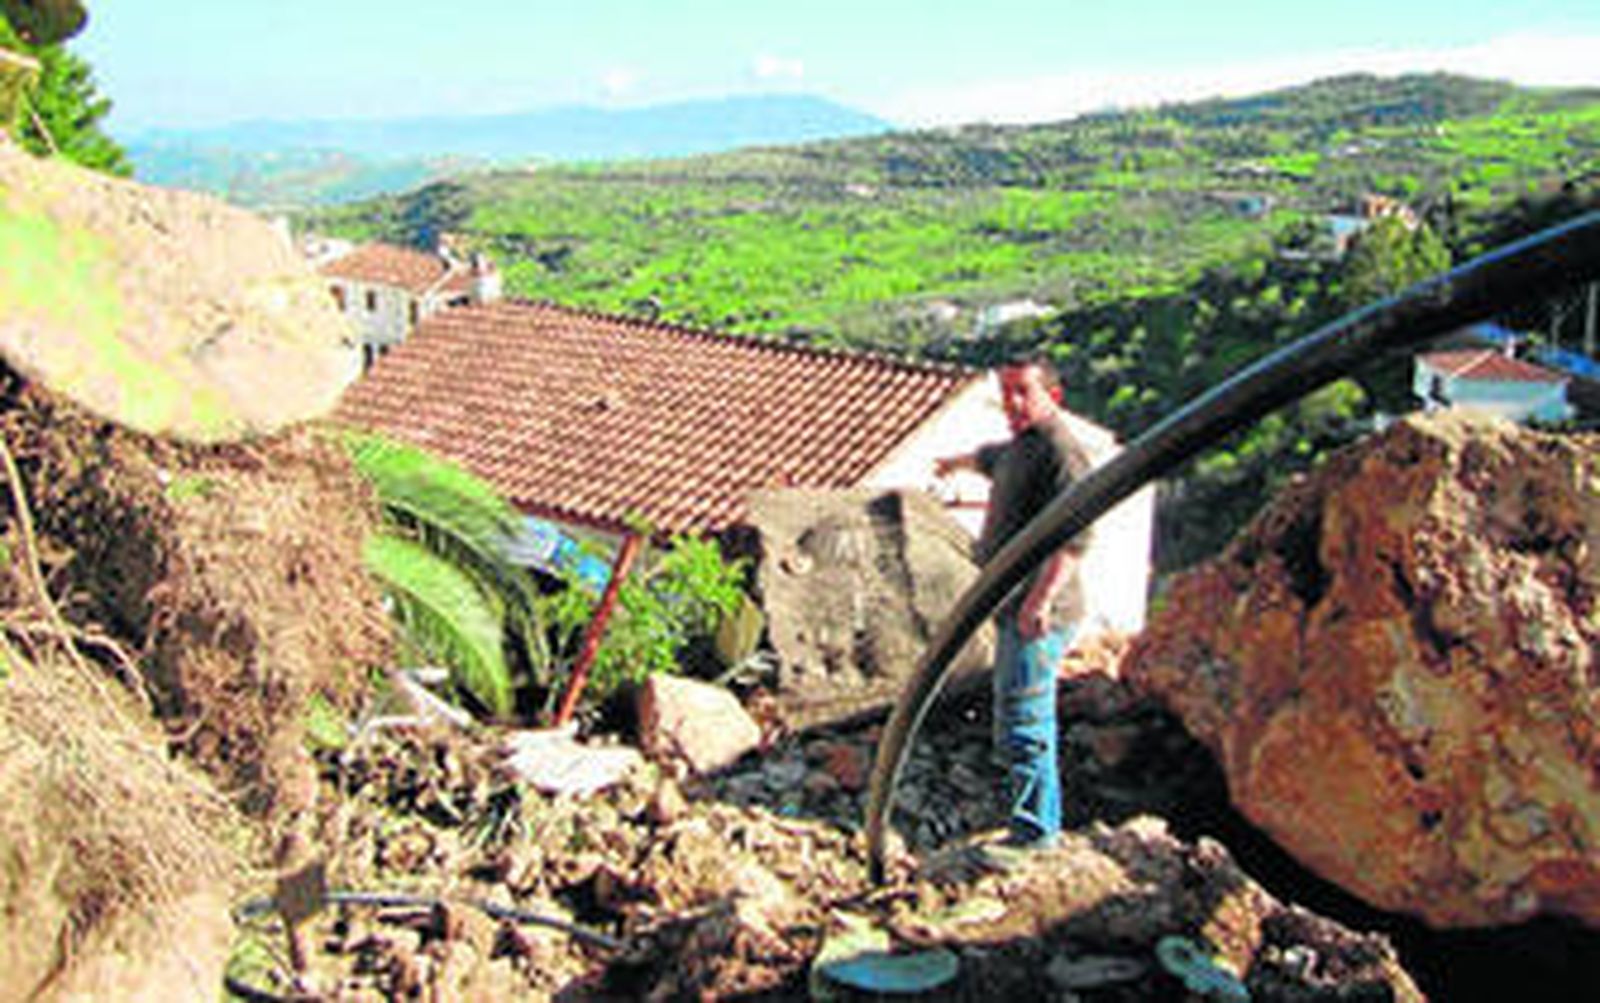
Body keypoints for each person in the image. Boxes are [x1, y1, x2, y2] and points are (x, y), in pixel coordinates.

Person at [935, 356, 1092, 850]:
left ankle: (1037, 834)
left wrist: (1039, 602)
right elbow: (992, 458)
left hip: (1039, 614)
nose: (1013, 403)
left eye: (1024, 391)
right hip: (1014, 606)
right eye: (1006, 393)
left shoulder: (1062, 454)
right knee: (1012, 717)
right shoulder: (1023, 446)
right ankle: (1024, 821)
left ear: (1054, 395)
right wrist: (953, 464)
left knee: (1026, 721)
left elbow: (1075, 541)